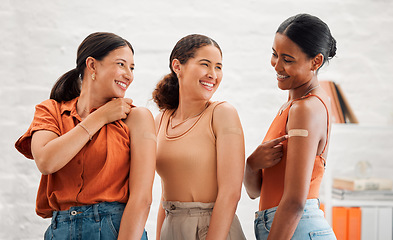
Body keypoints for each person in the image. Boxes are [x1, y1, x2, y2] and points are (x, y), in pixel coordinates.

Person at [15, 32, 155, 240]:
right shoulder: (50, 110)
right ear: (92, 65)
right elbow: (46, 161)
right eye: (121, 64)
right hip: (60, 230)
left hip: (116, 230)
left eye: (132, 68)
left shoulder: (136, 117)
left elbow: (142, 199)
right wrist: (99, 118)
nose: (129, 75)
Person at [244, 14, 337, 239]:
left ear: (316, 61)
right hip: (288, 226)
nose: (277, 65)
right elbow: (255, 192)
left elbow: (295, 201)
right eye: (274, 54)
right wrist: (251, 165)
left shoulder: (306, 109)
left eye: (287, 59)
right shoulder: (294, 105)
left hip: (296, 227)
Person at [152, 34, 246, 240]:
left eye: (218, 67)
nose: (213, 74)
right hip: (172, 226)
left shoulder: (222, 113)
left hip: (212, 229)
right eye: (205, 64)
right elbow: (165, 194)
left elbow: (231, 194)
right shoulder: (160, 120)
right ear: (177, 66)